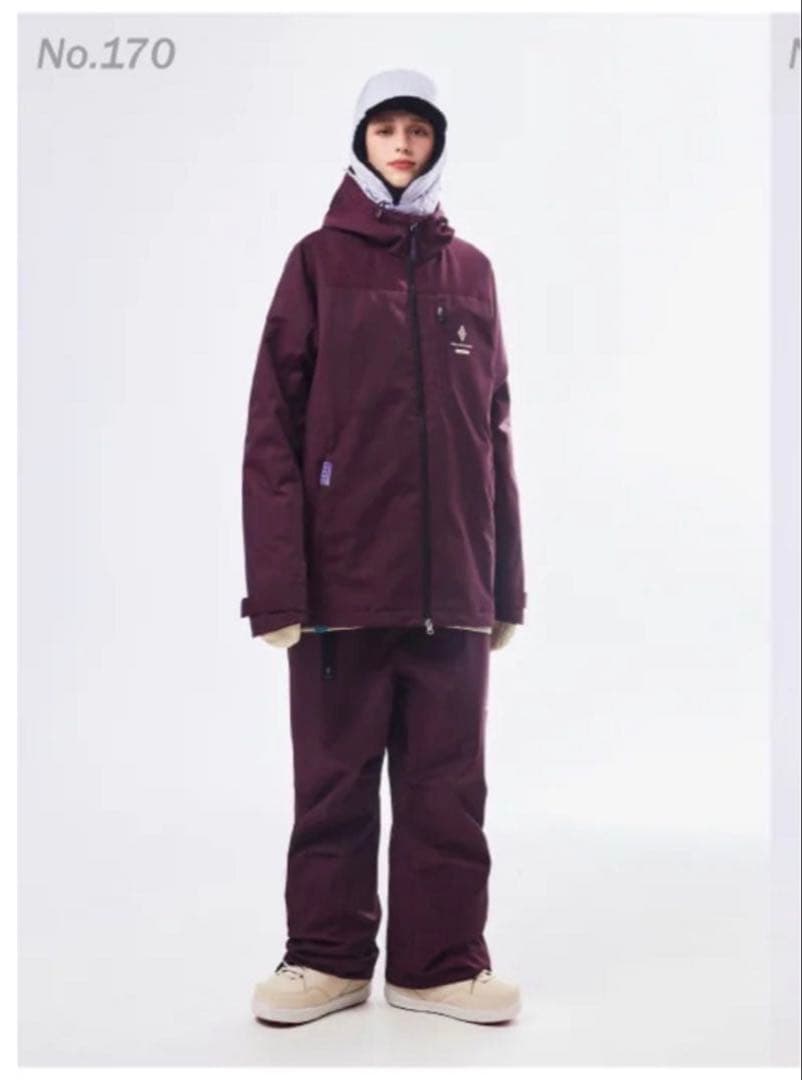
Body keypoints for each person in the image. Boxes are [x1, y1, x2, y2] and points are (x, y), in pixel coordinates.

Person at [241, 69, 526, 1026]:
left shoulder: (470, 272)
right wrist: (277, 590)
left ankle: (438, 966)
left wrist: (504, 586)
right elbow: (272, 433)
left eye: (419, 131)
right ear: (361, 142)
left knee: (449, 788)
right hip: (339, 588)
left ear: (437, 145)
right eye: (385, 129)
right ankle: (324, 960)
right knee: (335, 785)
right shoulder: (316, 263)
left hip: (454, 588)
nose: (402, 145)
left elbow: (492, 434)